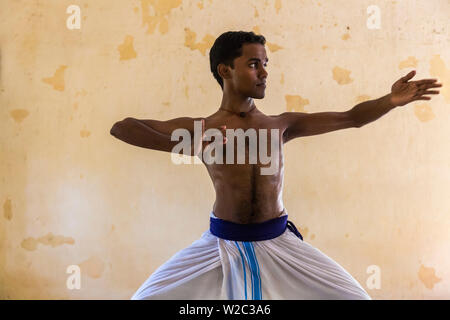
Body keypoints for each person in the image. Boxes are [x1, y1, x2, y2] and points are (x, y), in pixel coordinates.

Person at [110, 31, 442, 299]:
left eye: (265, 63)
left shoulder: (280, 125)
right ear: (225, 70)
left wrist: (391, 101)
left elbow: (351, 118)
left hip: (279, 239)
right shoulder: (202, 128)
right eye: (254, 64)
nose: (264, 72)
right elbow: (123, 126)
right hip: (222, 242)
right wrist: (189, 144)